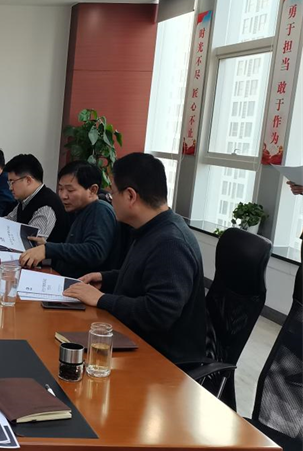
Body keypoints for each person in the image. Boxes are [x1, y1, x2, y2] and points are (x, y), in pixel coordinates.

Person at [64, 153, 206, 364]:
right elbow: (145, 275)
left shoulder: (171, 243)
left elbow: (158, 314)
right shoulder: (150, 228)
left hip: (161, 360)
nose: (110, 200)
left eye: (112, 193)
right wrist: (105, 278)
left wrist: (101, 299)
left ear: (130, 196)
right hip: (132, 336)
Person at [19, 161, 118, 278]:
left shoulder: (100, 210)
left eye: (70, 190)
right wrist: (46, 246)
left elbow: (95, 252)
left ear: (93, 190)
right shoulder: (78, 210)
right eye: (60, 189)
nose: (63, 196)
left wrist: (48, 249)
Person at [0, 154, 69, 243]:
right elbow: (10, 220)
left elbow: (32, 241)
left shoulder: (46, 205)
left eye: (12, 182)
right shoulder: (26, 199)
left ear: (28, 180)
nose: (10, 188)